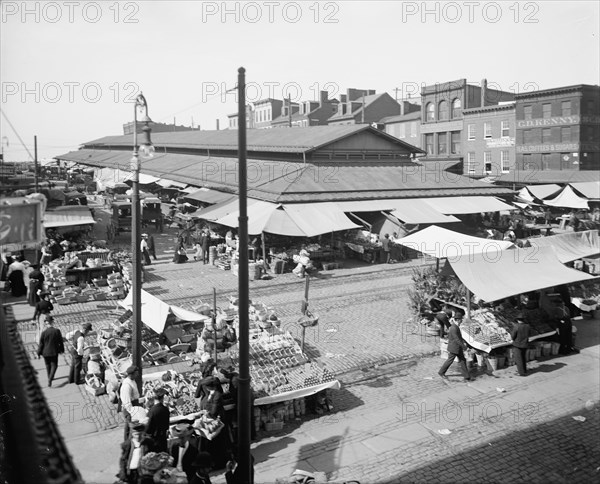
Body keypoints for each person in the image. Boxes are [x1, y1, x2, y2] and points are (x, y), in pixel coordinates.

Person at [198, 377, 231, 470]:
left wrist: (206, 412)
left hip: (217, 421)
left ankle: (220, 463)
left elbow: (213, 410)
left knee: (219, 443)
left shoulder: (217, 395)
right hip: (211, 421)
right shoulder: (210, 394)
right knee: (214, 444)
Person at [438, 312, 471, 382]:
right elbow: (457, 339)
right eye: (461, 320)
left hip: (457, 347)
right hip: (454, 348)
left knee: (462, 360)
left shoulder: (455, 327)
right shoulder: (454, 328)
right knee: (450, 360)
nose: (461, 321)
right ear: (458, 320)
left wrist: (464, 342)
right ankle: (441, 372)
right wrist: (465, 347)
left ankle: (466, 376)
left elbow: (459, 337)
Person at [120, 365, 147, 441]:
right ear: (132, 374)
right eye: (136, 373)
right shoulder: (126, 386)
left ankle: (128, 441)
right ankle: (128, 443)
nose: (138, 374)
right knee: (131, 428)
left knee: (129, 428)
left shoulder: (132, 380)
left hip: (135, 405)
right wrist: (134, 414)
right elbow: (127, 403)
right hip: (130, 410)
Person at [37, 316, 64, 387]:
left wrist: (38, 353)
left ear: (46, 323)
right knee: (54, 365)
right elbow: (60, 342)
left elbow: (41, 344)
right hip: (54, 352)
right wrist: (62, 350)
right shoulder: (57, 331)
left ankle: (49, 377)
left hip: (45, 352)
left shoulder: (44, 333)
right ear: (52, 322)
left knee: (47, 365)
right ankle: (50, 379)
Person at [145, 387, 170, 453]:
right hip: (163, 439)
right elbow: (167, 426)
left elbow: (148, 428)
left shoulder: (152, 411)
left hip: (154, 440)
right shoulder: (165, 410)